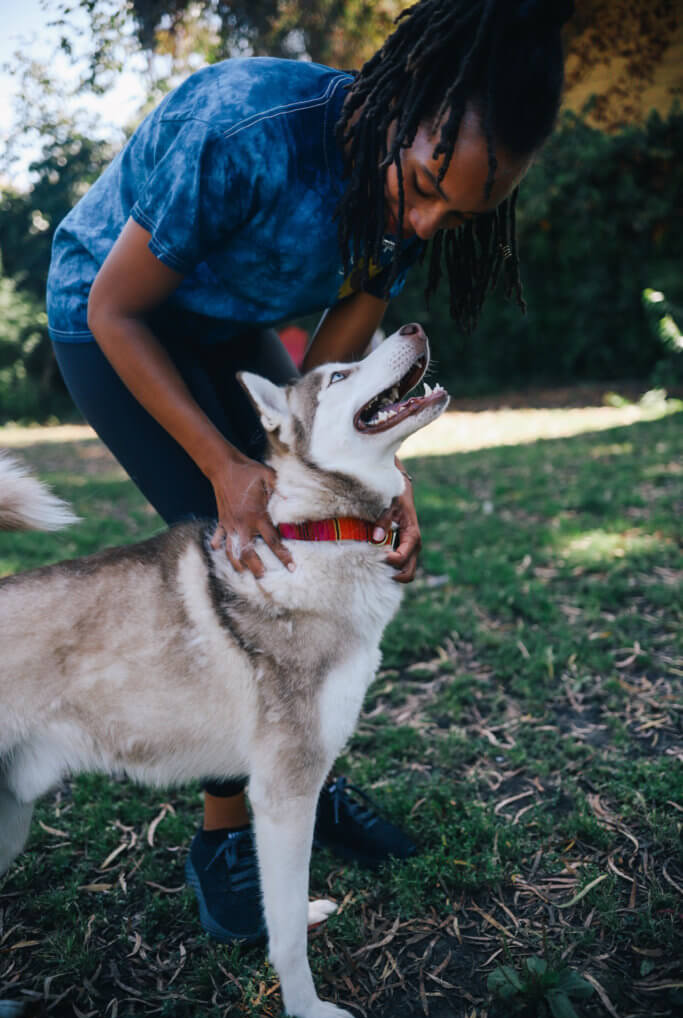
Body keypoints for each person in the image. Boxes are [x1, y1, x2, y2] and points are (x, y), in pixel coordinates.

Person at [46, 0, 573, 943]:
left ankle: (300, 775)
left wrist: (381, 475)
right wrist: (220, 465)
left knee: (302, 540)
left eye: (458, 212)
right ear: (400, 106)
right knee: (244, 563)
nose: (425, 220)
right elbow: (118, 309)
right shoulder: (242, 127)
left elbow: (331, 379)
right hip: (113, 319)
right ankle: (224, 845)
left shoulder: (423, 174)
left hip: (224, 319)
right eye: (421, 188)